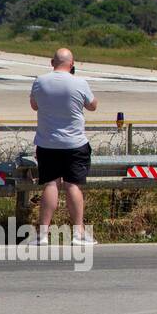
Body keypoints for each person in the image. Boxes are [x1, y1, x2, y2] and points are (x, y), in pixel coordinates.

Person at [29, 48, 98, 245]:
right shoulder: (79, 83)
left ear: (52, 62)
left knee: (51, 184)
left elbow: (34, 105)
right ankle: (78, 233)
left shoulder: (40, 81)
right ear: (72, 64)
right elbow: (93, 105)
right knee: (72, 185)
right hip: (74, 143)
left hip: (47, 142)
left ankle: (42, 234)